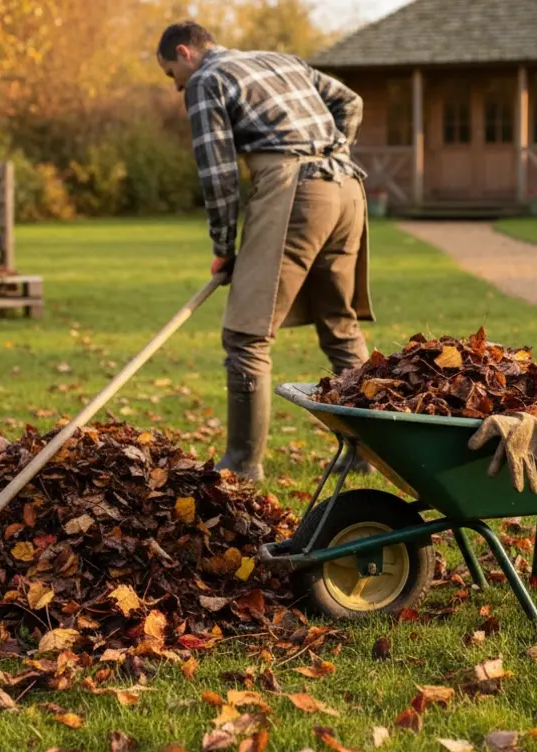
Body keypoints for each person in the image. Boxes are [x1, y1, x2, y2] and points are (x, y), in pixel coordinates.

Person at [156, 20, 374, 482]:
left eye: (170, 73)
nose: (175, 87)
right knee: (338, 323)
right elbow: (349, 102)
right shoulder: (281, 61)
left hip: (295, 194)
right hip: (348, 190)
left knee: (246, 336)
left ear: (185, 53)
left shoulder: (205, 81)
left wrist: (223, 246)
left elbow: (217, 175)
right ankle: (368, 454)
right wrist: (333, 151)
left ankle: (241, 465)